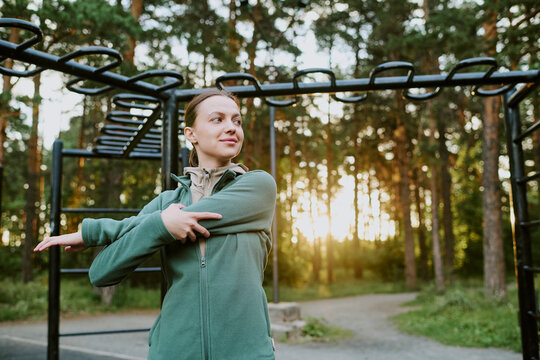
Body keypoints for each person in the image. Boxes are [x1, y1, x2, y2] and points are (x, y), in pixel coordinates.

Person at [34, 89, 277, 360]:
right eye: (218, 119)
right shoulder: (166, 205)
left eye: (237, 120)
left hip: (246, 353)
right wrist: (160, 226)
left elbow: (196, 216)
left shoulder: (257, 187)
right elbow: (100, 273)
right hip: (173, 352)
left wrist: (98, 231)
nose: (232, 127)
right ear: (191, 134)